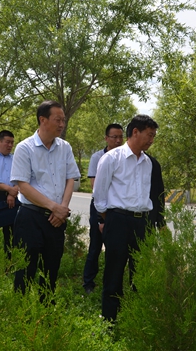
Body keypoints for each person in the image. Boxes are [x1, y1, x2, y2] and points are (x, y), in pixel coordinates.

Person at [93, 114, 158, 322]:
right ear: (135, 132)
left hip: (142, 223)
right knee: (114, 273)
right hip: (118, 221)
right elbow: (99, 196)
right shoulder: (112, 158)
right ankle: (109, 321)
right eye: (149, 135)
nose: (151, 140)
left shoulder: (148, 163)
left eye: (153, 136)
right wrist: (110, 219)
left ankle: (135, 321)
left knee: (140, 274)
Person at [10, 101, 80, 294]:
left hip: (56, 221)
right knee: (25, 271)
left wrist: (62, 208)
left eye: (63, 120)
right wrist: (53, 207)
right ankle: (21, 309)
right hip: (30, 218)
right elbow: (23, 186)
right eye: (58, 120)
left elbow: (71, 178)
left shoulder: (65, 147)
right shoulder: (25, 148)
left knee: (50, 273)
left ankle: (46, 309)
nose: (62, 124)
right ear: (43, 120)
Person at [82, 123, 124, 294]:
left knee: (115, 248)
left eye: (121, 137)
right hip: (99, 206)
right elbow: (95, 187)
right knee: (95, 245)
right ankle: (88, 283)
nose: (118, 140)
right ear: (106, 138)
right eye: (114, 137)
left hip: (117, 209)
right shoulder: (97, 157)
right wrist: (101, 218)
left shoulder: (125, 157)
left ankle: (112, 284)